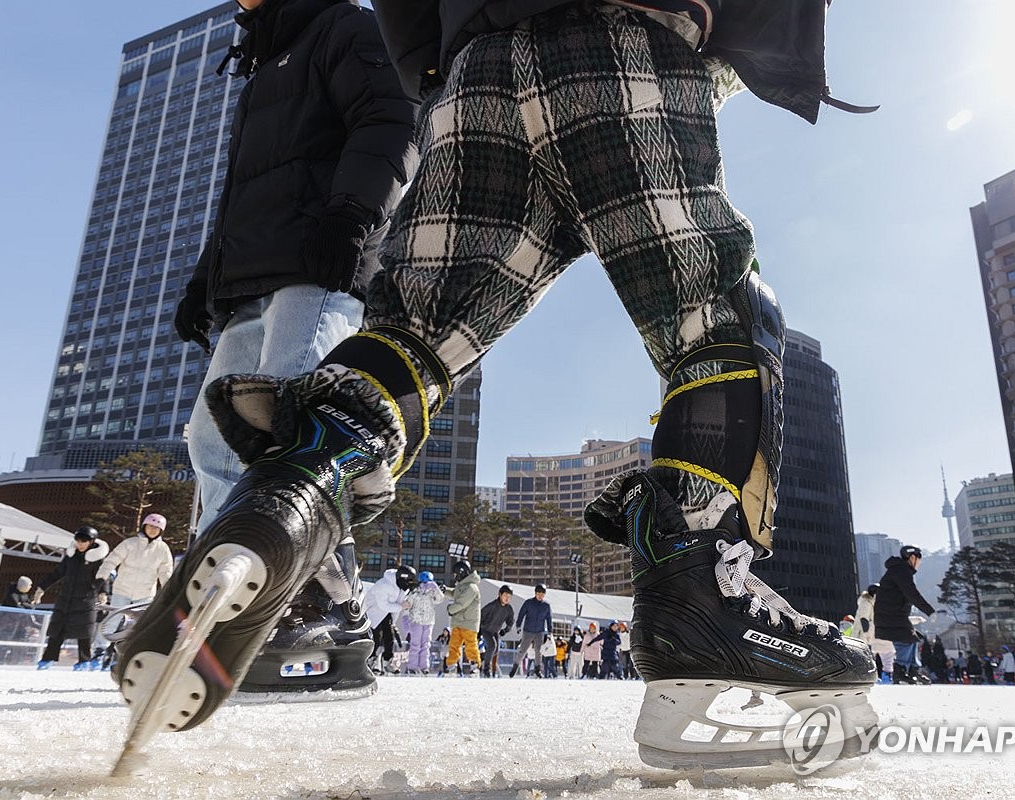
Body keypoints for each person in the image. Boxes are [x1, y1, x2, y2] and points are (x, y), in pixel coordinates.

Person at [115, 0, 876, 766]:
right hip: (620, 37)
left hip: (473, 72)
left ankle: (288, 495)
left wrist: (442, 61)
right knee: (717, 321)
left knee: (415, 337)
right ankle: (706, 615)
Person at [170, 0, 417, 699]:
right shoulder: (264, 63)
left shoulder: (346, 24)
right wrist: (203, 279)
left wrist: (352, 216)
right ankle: (231, 595)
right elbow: (241, 197)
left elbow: (392, 119)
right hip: (250, 282)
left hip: (319, 264)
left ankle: (325, 607)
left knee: (293, 431)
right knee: (213, 442)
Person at [93, 513, 174, 665]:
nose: (152, 530)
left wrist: (167, 589)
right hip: (122, 589)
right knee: (113, 620)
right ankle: (99, 651)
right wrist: (101, 578)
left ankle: (124, 655)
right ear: (144, 526)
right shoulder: (130, 543)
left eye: (156, 528)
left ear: (161, 531)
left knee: (138, 626)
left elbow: (166, 571)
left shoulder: (163, 549)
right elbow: (111, 561)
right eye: (150, 526)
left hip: (145, 593)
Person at [37, 527, 109, 669]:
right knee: (57, 630)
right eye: (77, 540)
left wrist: (103, 592)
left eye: (84, 541)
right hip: (65, 599)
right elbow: (57, 572)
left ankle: (84, 661)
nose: (80, 544)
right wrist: (42, 587)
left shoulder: (97, 559)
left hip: (86, 600)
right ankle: (47, 659)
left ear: (92, 542)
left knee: (84, 632)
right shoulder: (71, 557)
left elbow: (103, 577)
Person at [874, 545, 935, 685]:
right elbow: (912, 593)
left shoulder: (899, 570)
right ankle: (900, 672)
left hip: (893, 614)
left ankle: (913, 671)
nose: (919, 563)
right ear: (912, 557)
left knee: (914, 638)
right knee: (905, 639)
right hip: (890, 615)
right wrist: (929, 611)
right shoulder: (901, 571)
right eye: (919, 559)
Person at [363, 565, 418, 675]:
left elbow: (397, 605)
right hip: (373, 613)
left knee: (389, 638)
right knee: (376, 638)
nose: (410, 584)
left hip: (387, 613)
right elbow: (383, 605)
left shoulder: (402, 588)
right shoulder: (384, 585)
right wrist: (402, 606)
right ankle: (371, 661)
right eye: (409, 580)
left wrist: (393, 621)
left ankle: (388, 661)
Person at [399, 570, 445, 675]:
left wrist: (436, 587)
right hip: (416, 621)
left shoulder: (432, 592)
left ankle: (424, 666)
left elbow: (440, 599)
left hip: (428, 621)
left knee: (426, 644)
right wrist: (406, 618)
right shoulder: (415, 591)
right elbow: (408, 603)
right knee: (416, 644)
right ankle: (412, 666)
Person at [442, 559, 482, 676]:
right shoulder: (462, 586)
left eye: (456, 574)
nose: (455, 577)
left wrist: (450, 609)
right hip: (458, 622)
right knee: (454, 644)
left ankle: (474, 664)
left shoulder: (472, 588)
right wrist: (445, 591)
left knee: (471, 645)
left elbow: (462, 602)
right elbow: (455, 594)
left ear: (461, 572)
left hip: (469, 622)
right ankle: (452, 664)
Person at [0, 577, 43, 665]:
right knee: (4, 644)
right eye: (29, 585)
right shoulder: (11, 594)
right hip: (8, 625)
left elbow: (29, 606)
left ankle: (16, 662)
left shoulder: (25, 595)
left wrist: (25, 604)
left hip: (21, 625)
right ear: (23, 585)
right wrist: (25, 605)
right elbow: (17, 606)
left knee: (20, 644)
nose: (30, 587)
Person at [514, 584, 552, 678]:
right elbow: (521, 614)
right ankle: (515, 667)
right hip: (528, 630)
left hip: (539, 631)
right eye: (539, 593)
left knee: (538, 651)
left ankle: (537, 670)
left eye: (542, 594)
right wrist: (518, 625)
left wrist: (550, 631)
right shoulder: (529, 603)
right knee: (522, 650)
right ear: (535, 593)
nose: (540, 596)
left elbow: (549, 618)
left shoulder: (546, 605)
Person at [478, 585, 515, 677]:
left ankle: (483, 657)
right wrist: (478, 631)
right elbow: (480, 615)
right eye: (505, 595)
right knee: (492, 645)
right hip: (485, 629)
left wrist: (506, 630)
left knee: (495, 651)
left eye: (509, 596)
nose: (507, 598)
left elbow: (511, 621)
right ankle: (486, 669)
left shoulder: (509, 609)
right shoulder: (492, 605)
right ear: (500, 594)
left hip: (495, 631)